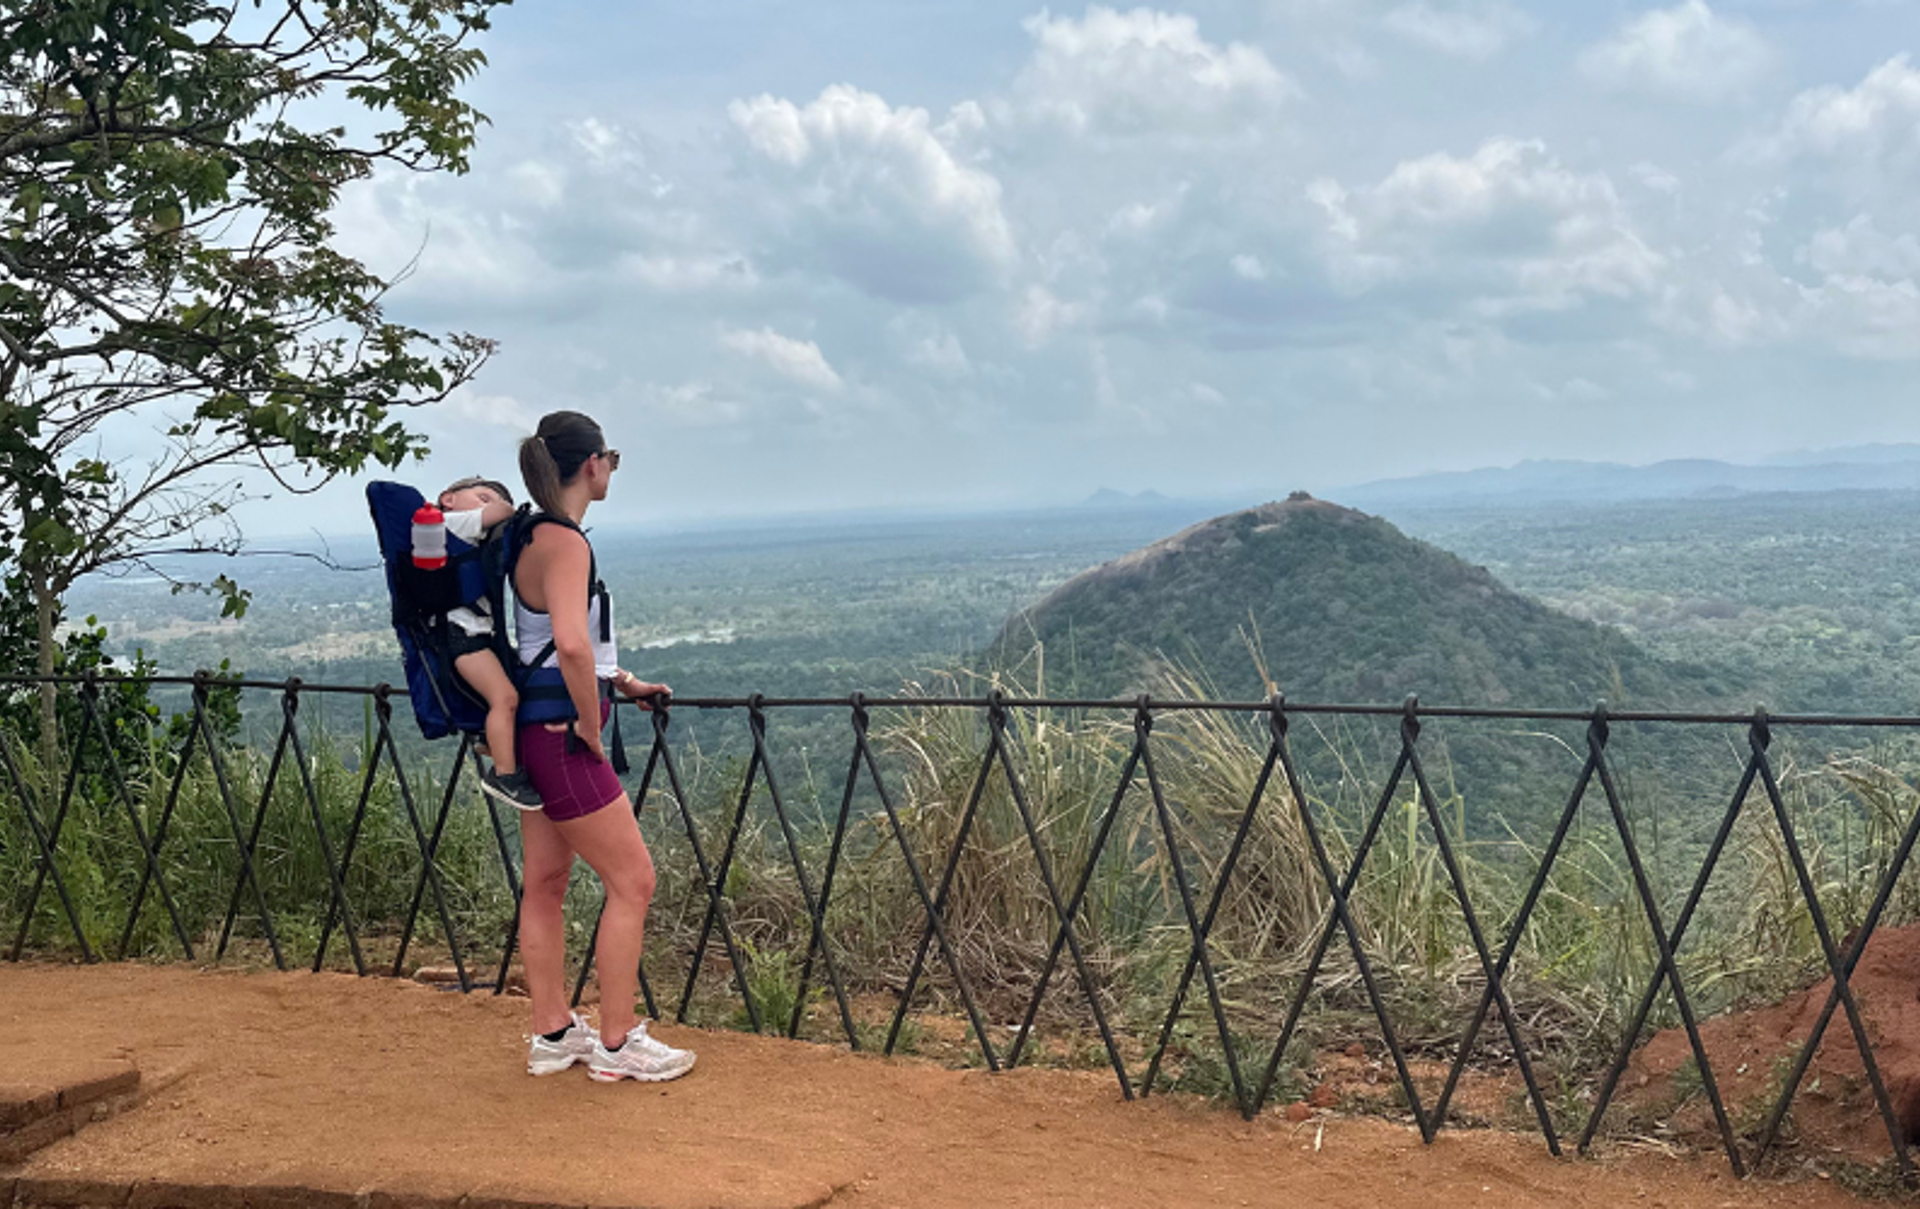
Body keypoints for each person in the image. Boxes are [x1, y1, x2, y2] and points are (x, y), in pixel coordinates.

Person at [511, 410, 696, 1083]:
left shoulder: (531, 535)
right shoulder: (566, 541)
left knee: (547, 883)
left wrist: (624, 681)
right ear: (592, 463)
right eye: (611, 457)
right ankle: (618, 1041)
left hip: (530, 733)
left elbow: (543, 643)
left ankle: (554, 1031)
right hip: (563, 733)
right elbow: (567, 643)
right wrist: (592, 722)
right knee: (634, 879)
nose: (612, 468)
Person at [436, 477, 542, 812]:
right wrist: (504, 509)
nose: (487, 505)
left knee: (512, 691)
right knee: (505, 697)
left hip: (469, 635)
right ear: (447, 498)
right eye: (481, 497)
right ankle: (505, 776)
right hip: (463, 637)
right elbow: (504, 511)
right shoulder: (449, 523)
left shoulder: (451, 533)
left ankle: (489, 739)